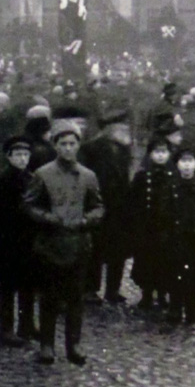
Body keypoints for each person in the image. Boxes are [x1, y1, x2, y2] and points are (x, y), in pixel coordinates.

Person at [24, 120, 104, 366]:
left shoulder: (88, 176)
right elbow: (28, 204)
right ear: (55, 146)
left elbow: (98, 206)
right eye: (63, 144)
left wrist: (87, 220)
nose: (68, 148)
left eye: (72, 143)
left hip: (79, 244)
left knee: (75, 299)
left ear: (78, 146)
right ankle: (46, 345)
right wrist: (48, 218)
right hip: (50, 244)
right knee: (49, 297)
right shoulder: (43, 174)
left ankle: (74, 344)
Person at [0, 135, 37, 346]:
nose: (22, 159)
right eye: (17, 155)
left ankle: (26, 325)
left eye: (26, 155)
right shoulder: (2, 182)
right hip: (8, 241)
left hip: (28, 241)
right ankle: (6, 329)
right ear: (9, 157)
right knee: (7, 287)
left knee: (28, 285)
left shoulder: (32, 179)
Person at [80, 110, 132, 303]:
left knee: (118, 251)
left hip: (119, 208)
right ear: (110, 129)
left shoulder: (124, 149)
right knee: (96, 250)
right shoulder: (90, 149)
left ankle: (113, 290)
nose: (126, 131)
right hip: (99, 206)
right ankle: (90, 290)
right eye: (122, 127)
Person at [128, 134, 175, 310]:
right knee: (146, 260)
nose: (161, 155)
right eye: (157, 152)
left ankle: (163, 294)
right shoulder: (142, 176)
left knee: (166, 261)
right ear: (150, 154)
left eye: (164, 152)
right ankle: (146, 294)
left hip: (167, 227)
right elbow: (133, 200)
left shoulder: (174, 175)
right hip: (147, 227)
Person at [167, 145, 195, 325]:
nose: (186, 166)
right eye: (183, 162)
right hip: (176, 240)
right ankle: (175, 309)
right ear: (177, 164)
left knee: (194, 276)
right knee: (175, 275)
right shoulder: (171, 187)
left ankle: (193, 310)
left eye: (190, 162)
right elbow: (165, 211)